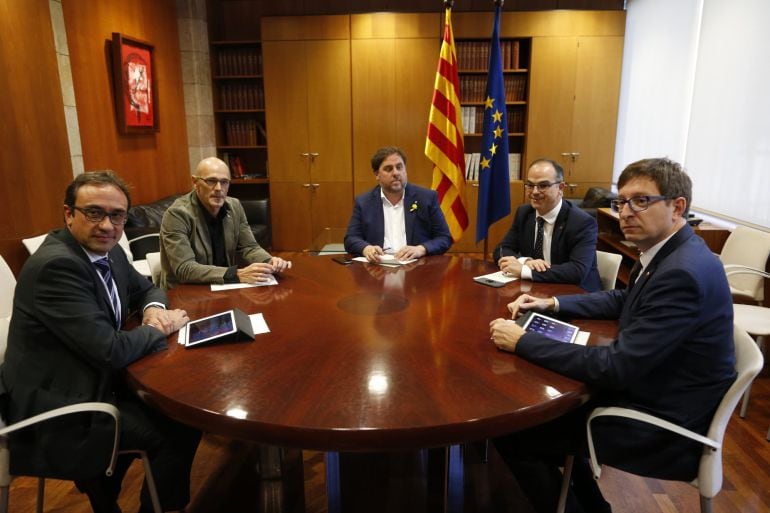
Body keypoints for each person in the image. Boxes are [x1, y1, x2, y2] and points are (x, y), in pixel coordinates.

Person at [488, 158, 735, 513]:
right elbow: (623, 298)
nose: (626, 212)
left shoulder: (682, 273)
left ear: (677, 207)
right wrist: (553, 303)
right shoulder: (671, 252)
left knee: (515, 432)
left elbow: (616, 367)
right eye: (623, 202)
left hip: (664, 424)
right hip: (655, 387)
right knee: (541, 416)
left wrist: (522, 341)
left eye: (642, 201)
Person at [0, 171, 200, 513]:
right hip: (57, 409)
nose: (107, 225)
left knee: (178, 409)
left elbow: (148, 288)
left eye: (117, 215)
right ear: (68, 214)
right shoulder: (57, 267)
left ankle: (103, 489)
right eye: (94, 212)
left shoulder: (108, 252)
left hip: (91, 379)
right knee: (176, 431)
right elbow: (111, 351)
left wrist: (153, 311)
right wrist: (161, 328)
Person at [159, 157, 290, 289]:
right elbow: (185, 269)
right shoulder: (177, 215)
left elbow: (249, 247)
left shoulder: (234, 206)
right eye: (211, 181)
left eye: (224, 182)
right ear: (195, 182)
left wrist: (269, 261)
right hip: (185, 292)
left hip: (223, 286)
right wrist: (236, 274)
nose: (218, 188)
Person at [493, 158, 602, 292]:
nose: (534, 192)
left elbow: (577, 271)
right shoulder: (524, 213)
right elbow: (501, 249)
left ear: (560, 188)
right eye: (530, 185)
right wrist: (526, 261)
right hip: (536, 289)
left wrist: (526, 270)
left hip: (575, 294)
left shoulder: (582, 222)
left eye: (543, 185)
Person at [344, 146, 452, 262]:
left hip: (417, 269)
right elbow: (351, 238)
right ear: (377, 174)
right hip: (377, 269)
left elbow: (444, 238)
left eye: (399, 167)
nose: (396, 173)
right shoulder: (364, 202)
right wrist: (366, 248)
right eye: (388, 169)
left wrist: (421, 249)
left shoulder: (426, 198)